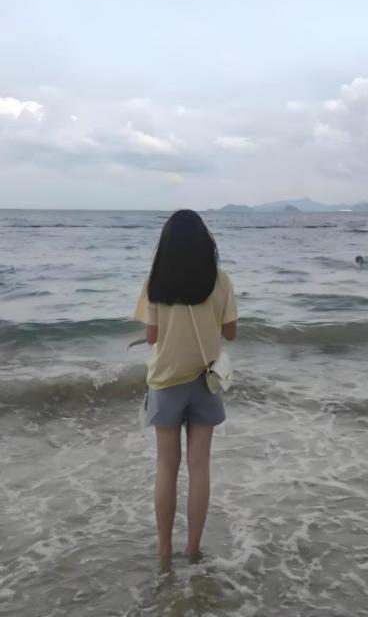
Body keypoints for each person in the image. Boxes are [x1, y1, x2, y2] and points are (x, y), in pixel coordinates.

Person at [133, 209, 237, 565]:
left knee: (166, 467)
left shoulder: (156, 281)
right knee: (199, 467)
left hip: (166, 381)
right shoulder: (220, 280)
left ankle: (164, 553)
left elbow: (152, 336)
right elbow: (230, 332)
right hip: (205, 380)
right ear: (205, 243)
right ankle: (193, 550)